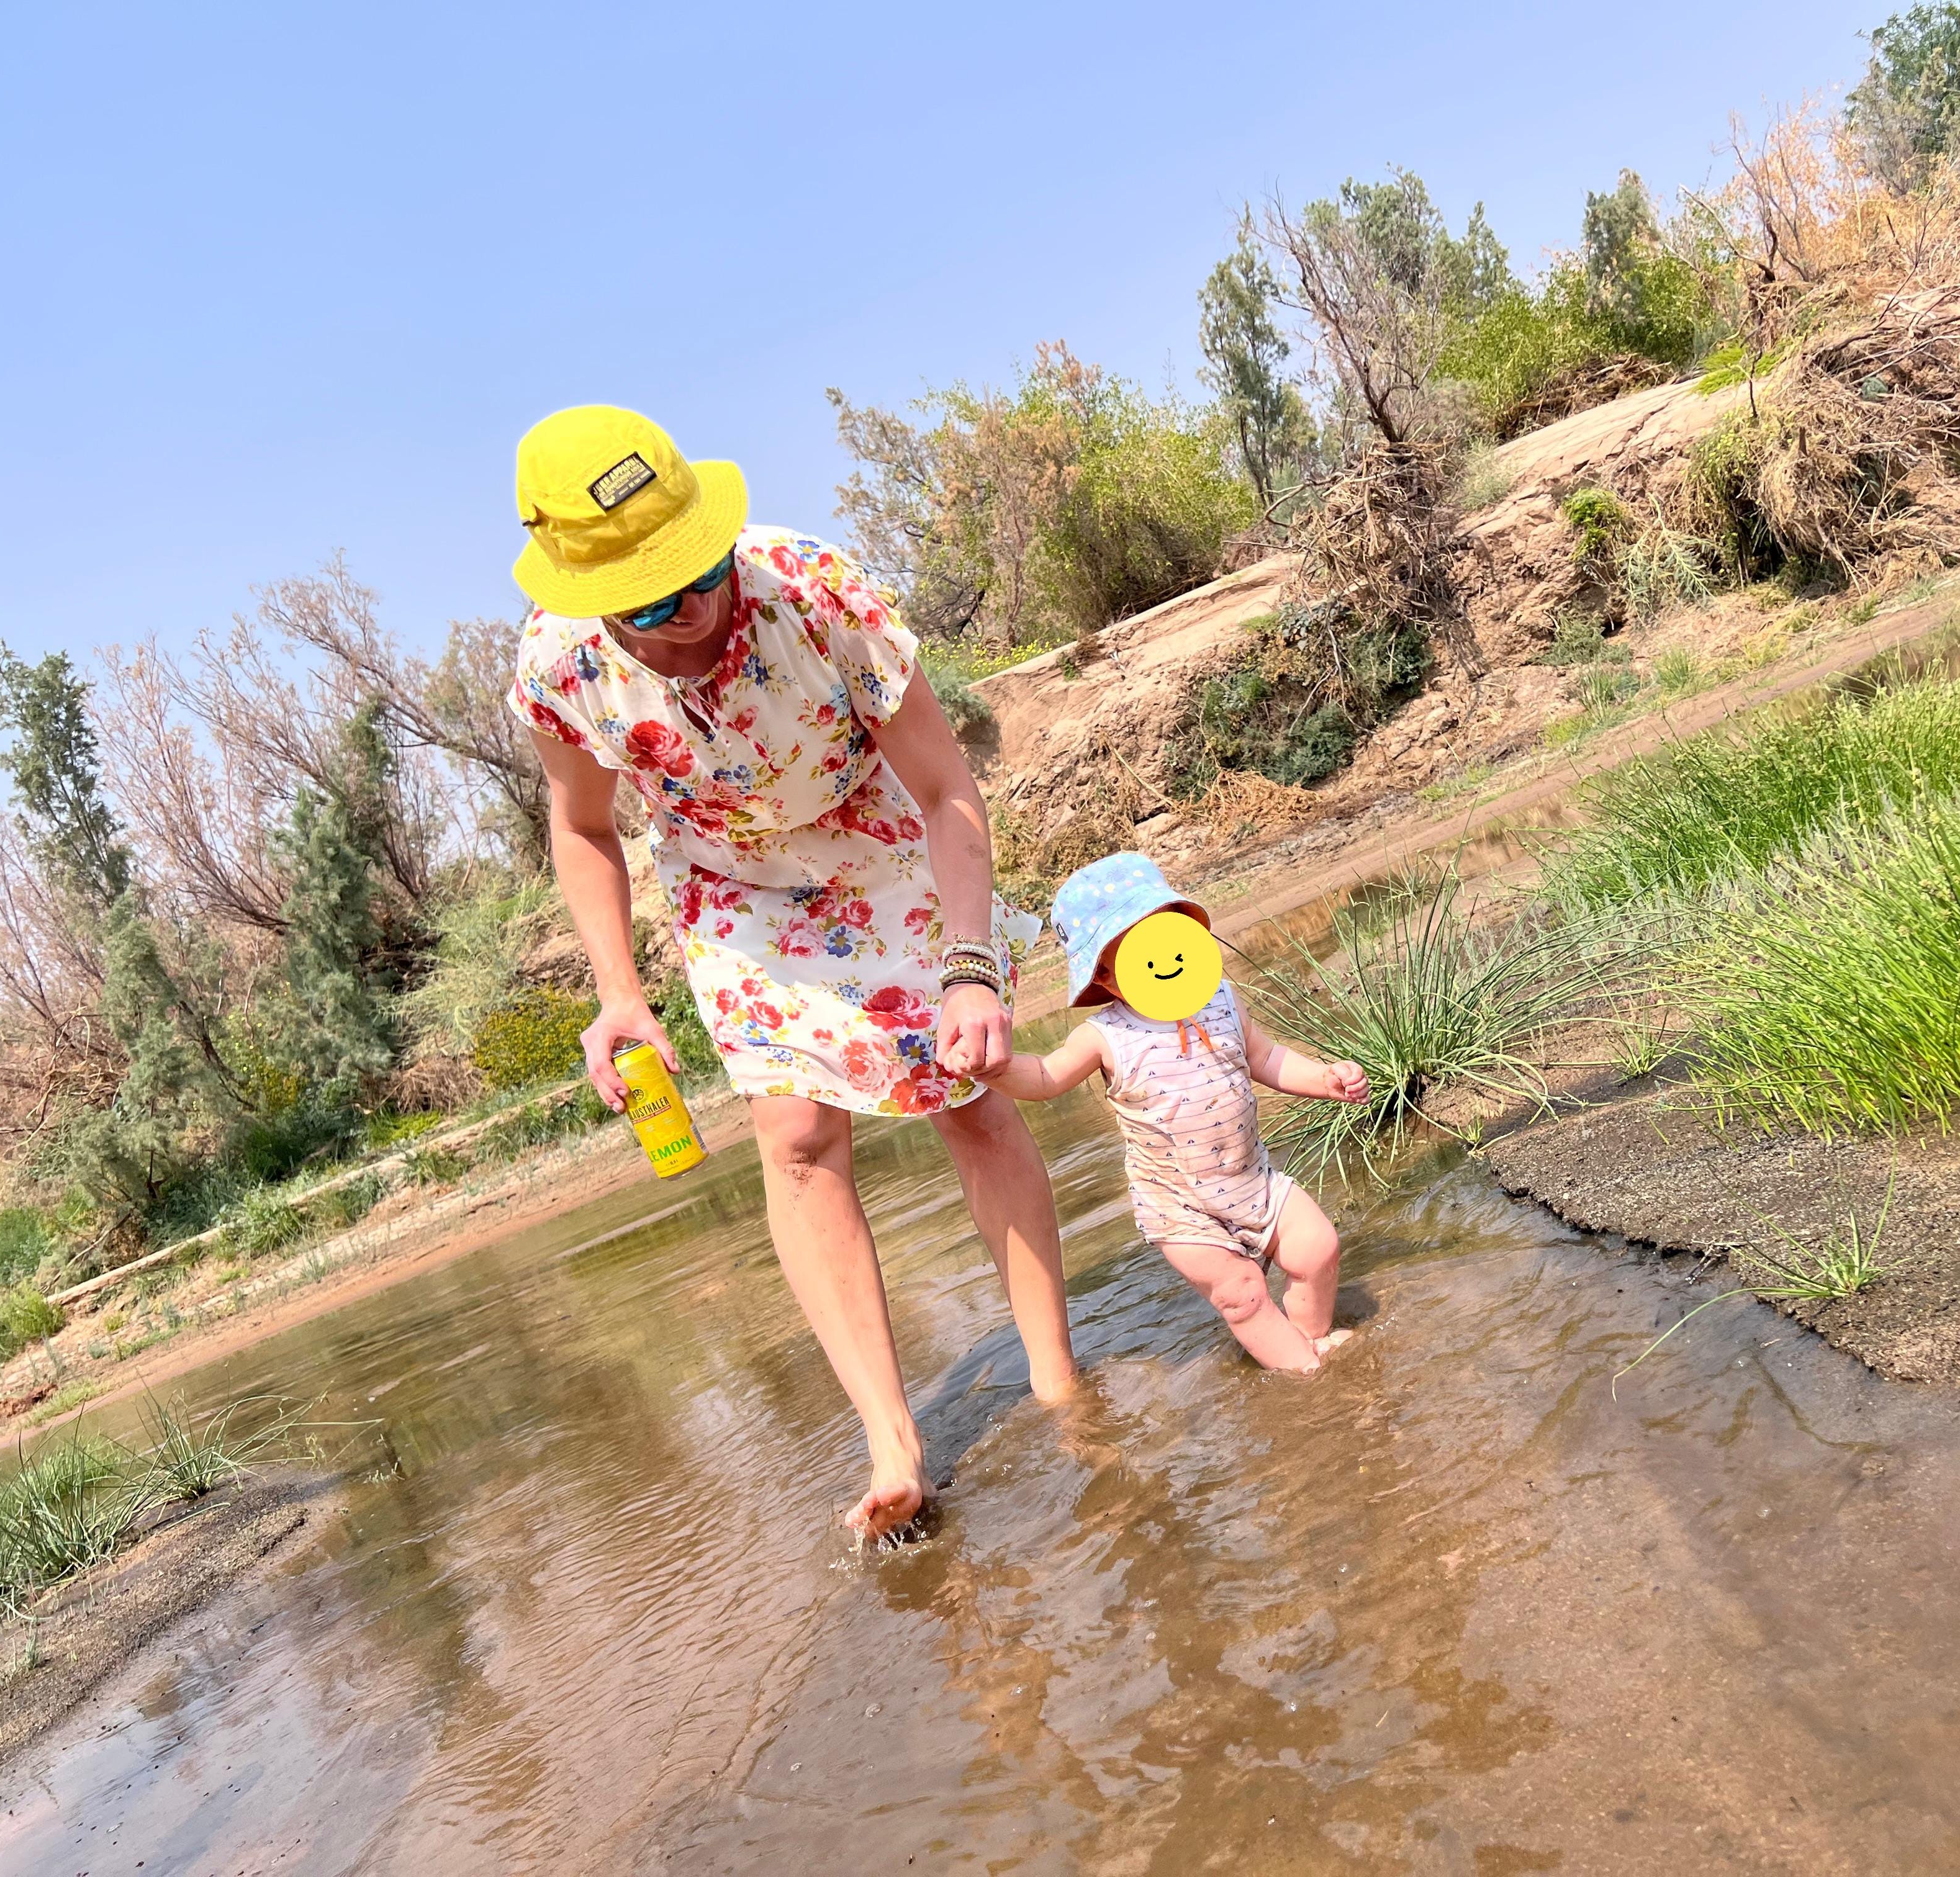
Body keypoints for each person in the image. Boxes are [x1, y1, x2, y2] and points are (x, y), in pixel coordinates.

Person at [505, 405, 1075, 1541]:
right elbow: (583, 829)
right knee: (796, 1139)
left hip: (881, 835)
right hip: (733, 885)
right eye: (651, 600)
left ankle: (1061, 1386)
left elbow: (947, 790)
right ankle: (890, 1439)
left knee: (970, 1090)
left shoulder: (814, 589)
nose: (692, 612)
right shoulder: (561, 665)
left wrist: (970, 969)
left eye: (699, 571)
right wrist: (622, 990)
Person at [985, 853, 1368, 1373]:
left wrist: (1324, 1079)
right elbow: (1046, 1077)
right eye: (1139, 951)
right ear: (1106, 976)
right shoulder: (1106, 1037)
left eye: (1169, 936)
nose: (1164, 958)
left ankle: (1308, 1340)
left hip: (1254, 1181)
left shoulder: (1222, 998)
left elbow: (1266, 1058)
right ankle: (1305, 1373)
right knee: (1242, 1294)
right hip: (1182, 1209)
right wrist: (994, 1069)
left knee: (1319, 1249)